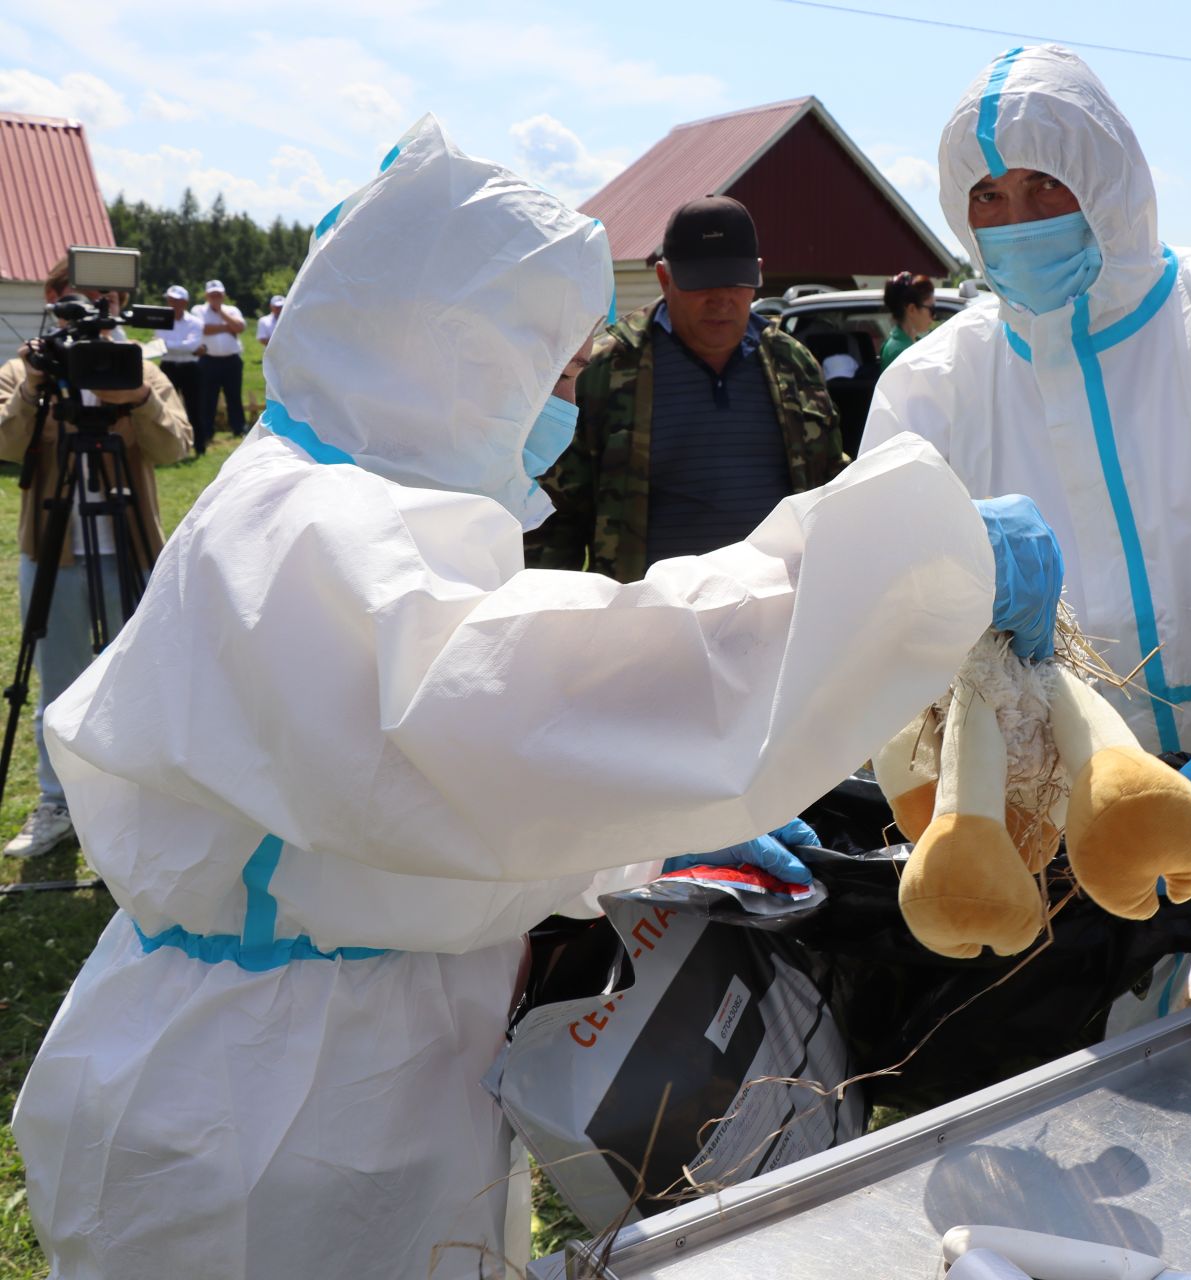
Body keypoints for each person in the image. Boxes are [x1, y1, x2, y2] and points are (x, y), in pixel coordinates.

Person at [12, 116, 1062, 1279]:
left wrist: (637, 841)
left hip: (349, 1075)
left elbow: (423, 813)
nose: (559, 407)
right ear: (449, 351)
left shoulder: (339, 502)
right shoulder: (304, 530)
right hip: (259, 1127)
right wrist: (924, 557)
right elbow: (495, 712)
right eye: (549, 373)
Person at [863, 45, 1191, 1059]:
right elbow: (875, 578)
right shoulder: (939, 382)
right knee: (1087, 1041)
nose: (1017, 220)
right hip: (1070, 767)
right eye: (988, 196)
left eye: (1045, 187)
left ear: (1107, 179)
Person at [525, 196, 842, 579]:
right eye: (702, 282)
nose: (720, 298)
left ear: (758, 275)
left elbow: (830, 490)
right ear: (664, 278)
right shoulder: (602, 370)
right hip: (655, 623)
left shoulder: (794, 365)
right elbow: (556, 519)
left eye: (735, 281)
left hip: (778, 617)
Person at [0, 264, 193, 860]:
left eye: (103, 298)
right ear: (54, 301)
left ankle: (145, 800)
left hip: (128, 547)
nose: (85, 308)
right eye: (70, 296)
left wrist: (135, 399)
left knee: (140, 680)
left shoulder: (142, 370)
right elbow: (5, 445)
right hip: (52, 550)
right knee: (57, 687)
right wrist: (34, 385)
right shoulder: (24, 370)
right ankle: (58, 802)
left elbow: (177, 445)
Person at [155, 283, 210, 452]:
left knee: (195, 407)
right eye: (170, 300)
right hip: (169, 366)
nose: (172, 303)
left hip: (190, 368)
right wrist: (185, 346)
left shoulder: (195, 322)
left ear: (184, 302)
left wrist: (173, 345)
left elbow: (192, 345)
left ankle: (199, 445)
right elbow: (161, 343)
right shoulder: (162, 319)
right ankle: (170, 446)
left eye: (176, 300)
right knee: (166, 407)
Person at [191, 279, 247, 438]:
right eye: (212, 295)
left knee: (234, 396)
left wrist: (220, 312)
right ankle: (207, 431)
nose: (215, 297)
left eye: (218, 295)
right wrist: (227, 327)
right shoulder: (198, 310)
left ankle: (238, 428)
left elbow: (240, 327)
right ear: (207, 296)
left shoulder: (232, 310)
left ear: (223, 295)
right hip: (209, 360)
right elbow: (203, 329)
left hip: (232, 360)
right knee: (208, 398)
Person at [880, 271, 937, 370]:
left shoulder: (909, 343)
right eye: (931, 309)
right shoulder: (898, 351)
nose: (934, 316)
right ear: (912, 309)